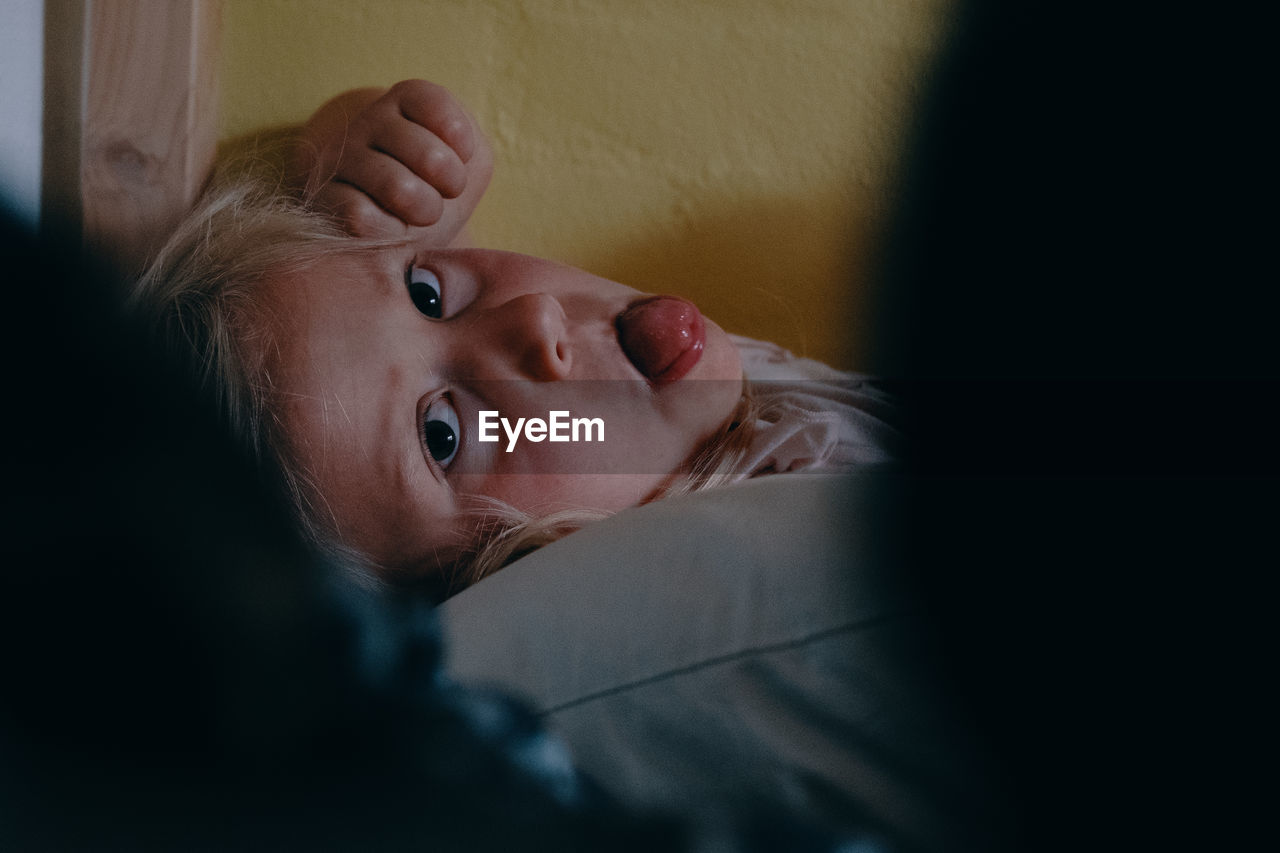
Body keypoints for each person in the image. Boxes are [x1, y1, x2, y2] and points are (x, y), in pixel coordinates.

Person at [133, 79, 897, 596]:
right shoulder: (758, 573)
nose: (532, 320)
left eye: (426, 291)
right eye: (442, 434)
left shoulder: (659, 439)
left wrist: (371, 162)